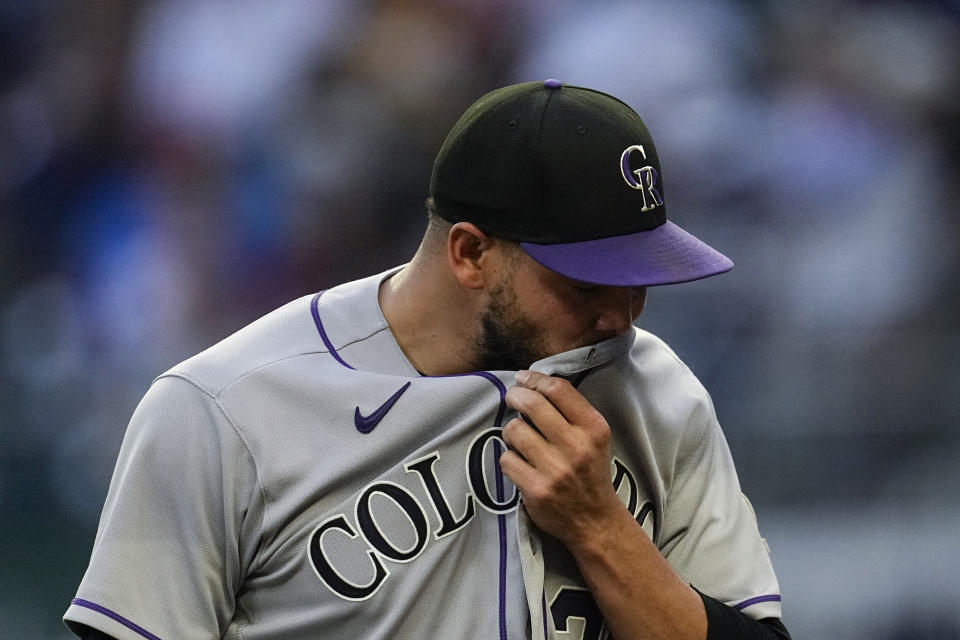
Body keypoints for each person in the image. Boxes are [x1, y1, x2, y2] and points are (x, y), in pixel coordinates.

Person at [64, 80, 790, 640]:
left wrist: (602, 530)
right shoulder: (222, 410)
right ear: (470, 253)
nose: (620, 316)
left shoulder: (660, 393)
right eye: (584, 285)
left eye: (640, 284)